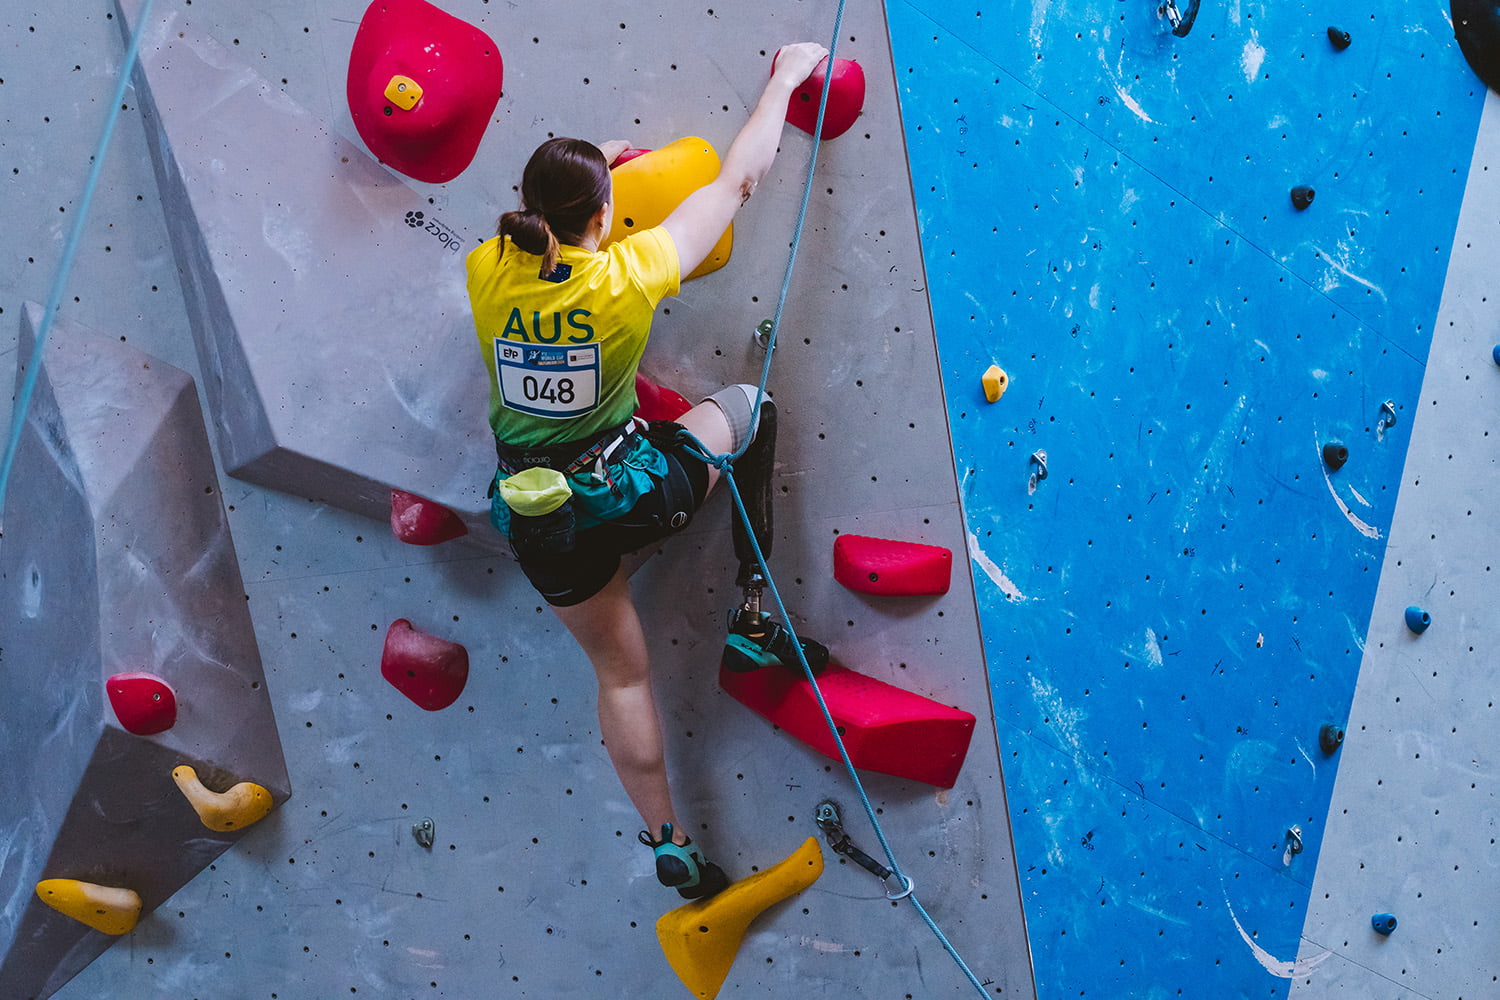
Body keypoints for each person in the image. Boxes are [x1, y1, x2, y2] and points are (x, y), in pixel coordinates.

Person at [465, 41, 829, 900]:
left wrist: (589, 172)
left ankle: (671, 841)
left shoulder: (486, 270)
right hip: (629, 492)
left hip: (539, 516)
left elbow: (536, 220)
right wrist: (784, 77)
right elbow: (738, 180)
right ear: (606, 217)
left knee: (622, 675)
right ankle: (751, 614)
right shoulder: (630, 275)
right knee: (751, 409)